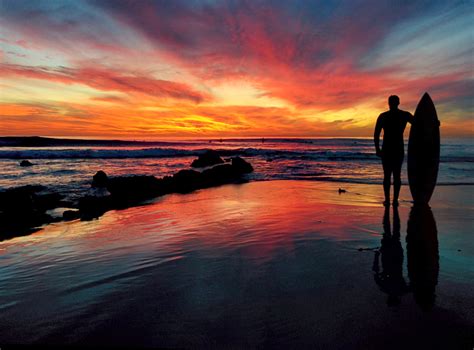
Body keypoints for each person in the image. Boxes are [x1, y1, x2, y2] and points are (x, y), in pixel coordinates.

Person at [374, 95, 413, 206]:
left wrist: (377, 149)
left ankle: (387, 200)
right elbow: (419, 124)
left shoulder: (383, 116)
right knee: (397, 175)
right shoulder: (404, 115)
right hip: (398, 149)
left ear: (389, 103)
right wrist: (434, 124)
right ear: (398, 103)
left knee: (387, 175)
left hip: (387, 149)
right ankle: (394, 200)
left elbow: (376, 134)